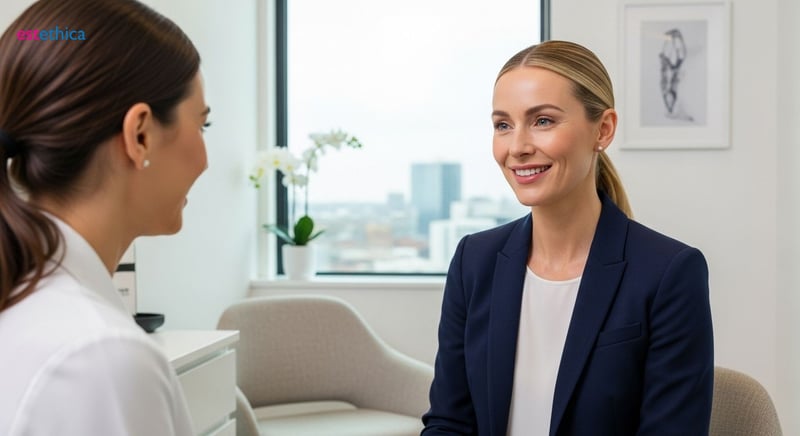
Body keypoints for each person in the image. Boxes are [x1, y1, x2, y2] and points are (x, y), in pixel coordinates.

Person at [421, 40, 713, 435]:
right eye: (503, 125)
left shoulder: (668, 273)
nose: (518, 147)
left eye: (542, 121)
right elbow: (449, 423)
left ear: (603, 129)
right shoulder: (475, 260)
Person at [0, 0, 210, 434]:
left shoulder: (27, 304)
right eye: (202, 126)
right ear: (140, 135)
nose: (206, 160)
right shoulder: (100, 357)